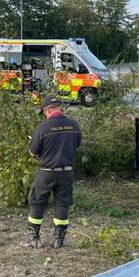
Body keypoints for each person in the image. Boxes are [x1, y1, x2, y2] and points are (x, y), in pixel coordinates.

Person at [25, 95, 81, 249]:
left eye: (44, 112)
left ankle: (34, 238)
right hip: (66, 172)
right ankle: (58, 241)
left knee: (37, 203)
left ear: (48, 110)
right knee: (62, 204)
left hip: (46, 172)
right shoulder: (74, 125)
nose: (44, 115)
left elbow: (33, 151)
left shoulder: (42, 128)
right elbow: (77, 144)